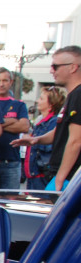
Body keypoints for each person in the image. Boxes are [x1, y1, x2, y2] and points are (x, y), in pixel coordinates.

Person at [12, 47, 81, 191]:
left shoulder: (78, 95)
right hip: (62, 175)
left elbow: (76, 141)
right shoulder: (72, 95)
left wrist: (60, 178)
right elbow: (62, 131)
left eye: (55, 66)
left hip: (70, 178)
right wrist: (37, 139)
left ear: (73, 67)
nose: (51, 71)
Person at [0, 68, 30, 189]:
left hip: (12, 163)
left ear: (11, 82)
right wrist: (11, 121)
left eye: (5, 80)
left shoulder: (19, 105)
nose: (1, 84)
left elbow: (24, 126)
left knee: (10, 201)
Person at [19, 86, 64, 190]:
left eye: (41, 98)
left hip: (42, 176)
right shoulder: (41, 121)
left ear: (51, 103)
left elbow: (49, 148)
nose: (37, 101)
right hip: (34, 176)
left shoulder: (53, 122)